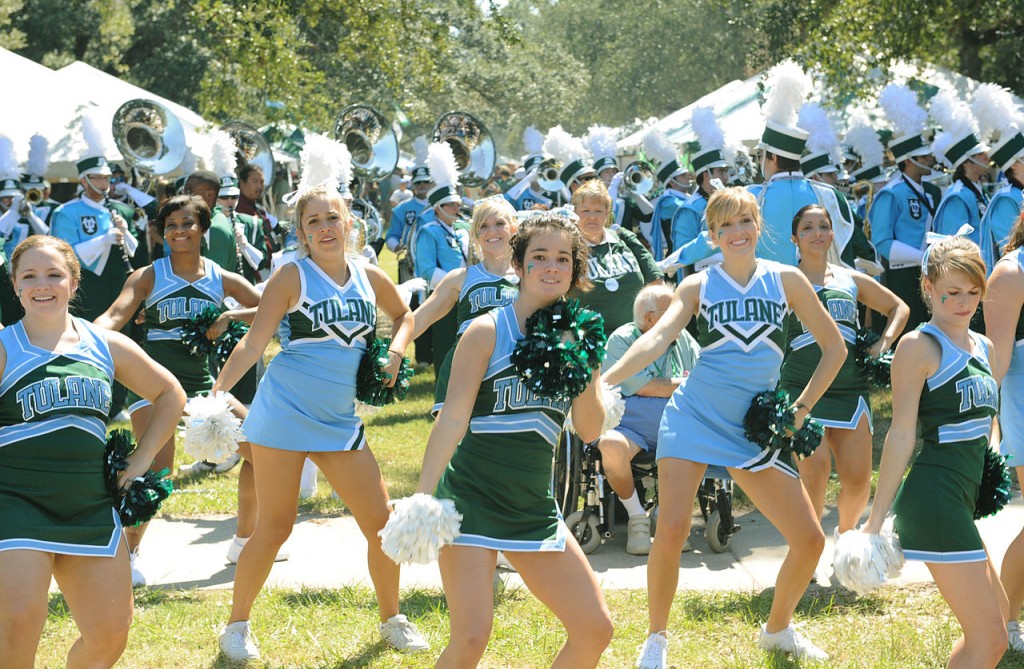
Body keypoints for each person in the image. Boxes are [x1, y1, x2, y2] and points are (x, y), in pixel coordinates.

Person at [603, 187, 845, 667]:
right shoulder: (696, 287)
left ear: (759, 226)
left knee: (811, 539)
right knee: (670, 529)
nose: (736, 232)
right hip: (692, 417)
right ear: (711, 236)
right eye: (724, 226)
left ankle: (777, 630)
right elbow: (656, 338)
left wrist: (799, 409)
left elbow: (834, 349)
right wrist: (606, 380)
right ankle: (656, 640)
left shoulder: (788, 280)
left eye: (744, 222)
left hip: (751, 430)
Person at [209, 185, 428, 661]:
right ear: (302, 233)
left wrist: (394, 350)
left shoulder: (370, 276)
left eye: (333, 218)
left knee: (381, 524)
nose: (325, 227)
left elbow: (404, 316)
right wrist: (219, 392)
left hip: (338, 420)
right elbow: (253, 343)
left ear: (349, 224)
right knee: (275, 526)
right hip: (284, 412)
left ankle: (393, 619)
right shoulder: (291, 276)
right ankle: (236, 627)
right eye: (313, 222)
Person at [416, 212, 614, 668]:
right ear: (519, 265)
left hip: (532, 506)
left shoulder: (580, 336)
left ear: (574, 269)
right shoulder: (486, 330)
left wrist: (585, 363)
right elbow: (451, 421)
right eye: (539, 256)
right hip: (470, 500)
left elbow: (589, 429)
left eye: (562, 258)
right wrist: (424, 499)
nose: (551, 267)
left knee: (594, 629)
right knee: (470, 639)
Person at [0, 236, 186, 669]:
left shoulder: (103, 344)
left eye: (53, 274)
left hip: (90, 505)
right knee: (18, 619)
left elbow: (168, 394)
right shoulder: (6, 346)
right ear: (15, 285)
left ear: (73, 281)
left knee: (110, 635)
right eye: (29, 276)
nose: (41, 285)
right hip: (16, 502)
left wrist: (140, 462)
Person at [94, 195, 263, 586]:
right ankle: (127, 555)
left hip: (202, 385)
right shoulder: (148, 276)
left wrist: (230, 315)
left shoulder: (221, 277)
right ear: (161, 231)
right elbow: (116, 316)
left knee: (261, 449)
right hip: (152, 384)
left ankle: (243, 541)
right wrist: (82, 336)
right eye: (170, 225)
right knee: (156, 467)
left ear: (203, 229)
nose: (179, 231)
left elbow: (275, 304)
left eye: (187, 223)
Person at [865, 237, 1008, 668]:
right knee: (991, 641)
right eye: (952, 292)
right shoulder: (918, 346)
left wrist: (989, 470)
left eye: (973, 292)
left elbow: (989, 423)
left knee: (998, 622)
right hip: (934, 499)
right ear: (927, 288)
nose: (964, 303)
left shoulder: (984, 346)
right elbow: (901, 435)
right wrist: (873, 523)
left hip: (960, 499)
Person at [781, 204, 908, 537]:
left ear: (832, 234)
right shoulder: (784, 282)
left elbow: (899, 307)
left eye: (823, 226)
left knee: (857, 480)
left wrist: (884, 343)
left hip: (850, 390)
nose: (817, 233)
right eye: (807, 228)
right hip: (802, 388)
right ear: (795, 238)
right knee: (815, 469)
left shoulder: (848, 278)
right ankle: (807, 546)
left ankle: (846, 540)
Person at [597, 284, 698, 555]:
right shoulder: (622, 340)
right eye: (672, 310)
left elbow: (703, 378)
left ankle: (667, 519)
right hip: (632, 429)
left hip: (677, 428)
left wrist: (679, 384)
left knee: (694, 446)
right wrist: (684, 383)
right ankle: (637, 517)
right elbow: (645, 386)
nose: (681, 316)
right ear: (650, 317)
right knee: (609, 446)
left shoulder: (684, 339)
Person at [412, 196, 519, 415]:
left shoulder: (530, 277)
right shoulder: (460, 278)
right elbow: (420, 318)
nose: (492, 231)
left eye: (499, 223)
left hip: (512, 370)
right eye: (484, 226)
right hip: (464, 368)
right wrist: (390, 351)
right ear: (475, 235)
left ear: (514, 228)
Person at [984, 209, 1024, 652]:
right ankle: (1005, 622)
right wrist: (985, 425)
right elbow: (996, 359)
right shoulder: (1011, 272)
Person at [569, 179, 663, 333]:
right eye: (585, 210)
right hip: (589, 344)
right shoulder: (567, 246)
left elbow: (657, 283)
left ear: (607, 213)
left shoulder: (623, 238)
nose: (592, 216)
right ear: (575, 213)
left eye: (598, 211)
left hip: (635, 338)